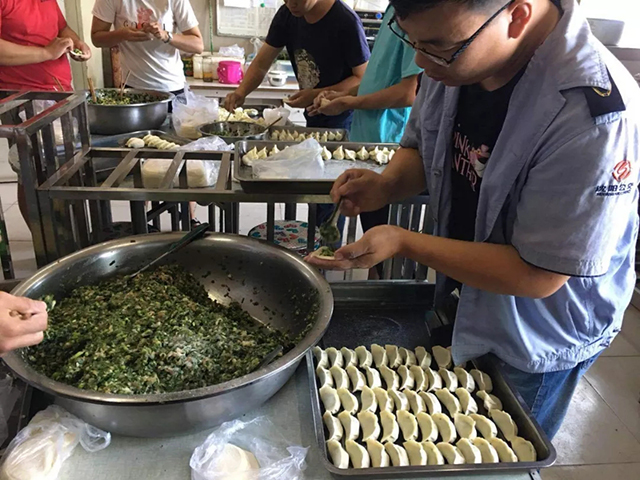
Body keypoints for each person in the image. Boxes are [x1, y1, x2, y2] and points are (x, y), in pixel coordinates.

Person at [307, 0, 640, 440]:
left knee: (501, 451)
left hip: (534, 331)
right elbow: (422, 147)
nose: (422, 63)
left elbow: (539, 274)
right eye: (413, 42)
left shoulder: (591, 114)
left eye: (438, 48)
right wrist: (386, 186)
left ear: (517, 16)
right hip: (466, 297)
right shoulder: (453, 53)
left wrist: (405, 242)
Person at [309, 4, 421, 276]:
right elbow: (378, 80)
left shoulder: (416, 12)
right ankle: (378, 276)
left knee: (388, 251)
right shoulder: (393, 10)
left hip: (389, 146)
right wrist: (344, 95)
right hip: (367, 140)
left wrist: (351, 103)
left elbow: (409, 92)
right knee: (373, 233)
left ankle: (384, 282)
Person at [1, 0, 92, 222]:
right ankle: (44, 239)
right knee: (32, 173)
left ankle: (66, 233)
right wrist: (46, 53)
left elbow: (62, 27)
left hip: (59, 93)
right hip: (23, 99)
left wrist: (77, 43)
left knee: (63, 168)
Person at [224, 0, 370, 130]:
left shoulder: (346, 21)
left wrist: (315, 94)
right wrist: (241, 92)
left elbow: (362, 78)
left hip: (345, 119)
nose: (291, 4)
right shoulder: (286, 14)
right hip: (313, 115)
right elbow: (261, 64)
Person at [91, 0, 204, 95]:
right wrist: (122, 35)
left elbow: (198, 45)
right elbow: (96, 39)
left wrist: (166, 36)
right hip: (132, 87)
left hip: (172, 87)